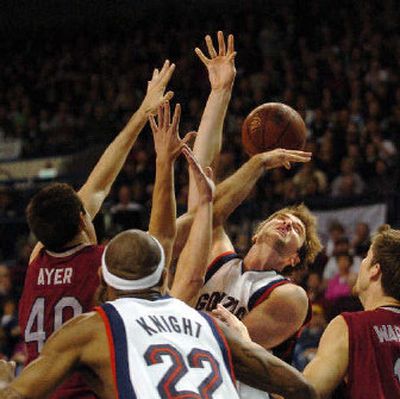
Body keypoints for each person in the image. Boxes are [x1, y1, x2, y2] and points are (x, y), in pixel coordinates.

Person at [173, 32, 322, 399]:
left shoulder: (290, 296)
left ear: (294, 259)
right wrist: (220, 92)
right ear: (256, 233)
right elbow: (203, 188)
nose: (287, 222)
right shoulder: (221, 261)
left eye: (297, 229)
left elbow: (224, 344)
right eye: (280, 218)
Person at [18, 60, 176, 399]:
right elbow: (162, 240)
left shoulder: (37, 259)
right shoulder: (106, 264)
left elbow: (96, 188)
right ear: (81, 219)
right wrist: (163, 159)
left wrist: (140, 115)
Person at [0, 230, 317, 399]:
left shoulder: (91, 326)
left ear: (103, 278)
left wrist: (4, 384)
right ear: (164, 277)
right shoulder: (209, 324)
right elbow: (300, 388)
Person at [215, 225, 400, 398]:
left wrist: (247, 345)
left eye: (367, 257)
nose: (361, 264)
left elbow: (302, 394)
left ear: (375, 270)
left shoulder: (353, 327)